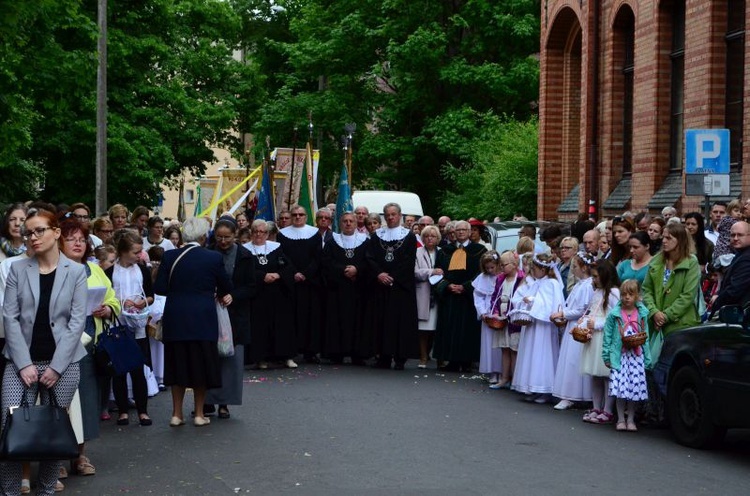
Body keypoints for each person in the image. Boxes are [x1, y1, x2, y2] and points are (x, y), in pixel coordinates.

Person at [1, 209, 87, 495]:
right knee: (9, 426)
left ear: (56, 232)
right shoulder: (18, 269)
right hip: (19, 362)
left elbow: (77, 322)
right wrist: (23, 363)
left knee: (54, 429)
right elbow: (9, 317)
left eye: (39, 230)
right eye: (28, 232)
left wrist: (56, 367)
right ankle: (10, 491)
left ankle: (47, 490)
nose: (33, 237)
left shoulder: (75, 272)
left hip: (62, 364)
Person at [153, 217, 233, 427]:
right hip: (203, 318)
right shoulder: (213, 258)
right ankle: (199, 414)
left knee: (177, 365)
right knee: (201, 365)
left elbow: (160, 288)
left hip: (176, 316)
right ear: (202, 236)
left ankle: (176, 414)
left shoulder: (170, 256)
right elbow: (226, 285)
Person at [59, 218, 120, 476]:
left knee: (85, 402)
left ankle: (80, 456)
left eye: (82, 239)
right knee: (59, 405)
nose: (77, 243)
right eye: (71, 238)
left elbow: (113, 299)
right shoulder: (52, 269)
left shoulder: (94, 270)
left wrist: (107, 309)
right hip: (59, 347)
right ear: (59, 242)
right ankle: (56, 459)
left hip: (89, 345)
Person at [104, 230, 154, 427]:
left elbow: (151, 294)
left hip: (137, 324)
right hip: (118, 324)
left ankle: (143, 411)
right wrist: (119, 303)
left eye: (140, 251)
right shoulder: (110, 273)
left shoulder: (142, 270)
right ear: (123, 252)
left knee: (137, 368)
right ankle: (123, 410)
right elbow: (106, 296)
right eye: (135, 252)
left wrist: (143, 302)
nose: (139, 255)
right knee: (119, 369)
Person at [205, 219, 254, 419]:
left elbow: (251, 286)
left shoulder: (245, 255)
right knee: (209, 359)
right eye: (219, 237)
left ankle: (224, 403)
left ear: (235, 235)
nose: (223, 241)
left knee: (231, 361)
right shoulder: (207, 253)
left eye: (227, 237)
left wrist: (234, 295)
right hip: (209, 312)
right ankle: (207, 400)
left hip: (235, 315)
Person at [366, 203, 419, 370]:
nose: (390, 217)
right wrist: (379, 274)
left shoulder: (409, 236)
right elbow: (370, 258)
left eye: (393, 214)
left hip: (400, 287)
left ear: (400, 215)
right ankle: (383, 356)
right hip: (380, 286)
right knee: (381, 321)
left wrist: (393, 277)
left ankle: (400, 357)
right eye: (387, 215)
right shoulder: (376, 236)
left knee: (400, 322)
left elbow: (408, 261)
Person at [509, 253, 564, 403]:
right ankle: (531, 387)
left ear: (543, 269)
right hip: (532, 324)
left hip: (544, 327)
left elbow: (552, 304)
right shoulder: (536, 283)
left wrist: (533, 301)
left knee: (542, 355)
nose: (532, 271)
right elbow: (523, 298)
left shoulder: (552, 283)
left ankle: (543, 389)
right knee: (531, 354)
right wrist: (525, 300)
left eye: (535, 268)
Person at [433, 220, 487, 372]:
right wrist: (447, 286)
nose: (461, 232)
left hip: (468, 297)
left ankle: (467, 361)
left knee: (467, 329)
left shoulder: (480, 250)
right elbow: (438, 272)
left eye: (464, 230)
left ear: (470, 232)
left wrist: (465, 287)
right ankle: (452, 360)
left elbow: (482, 273)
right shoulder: (444, 250)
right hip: (450, 296)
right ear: (453, 233)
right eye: (458, 230)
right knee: (450, 328)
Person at [243, 220, 297, 369]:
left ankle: (286, 357)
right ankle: (261, 359)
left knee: (282, 325)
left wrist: (278, 275)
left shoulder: (277, 248)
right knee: (260, 327)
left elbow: (289, 267)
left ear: (267, 234)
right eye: (255, 231)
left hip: (278, 294)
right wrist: (262, 276)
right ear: (251, 233)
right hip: (258, 296)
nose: (259, 234)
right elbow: (244, 272)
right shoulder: (244, 251)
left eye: (262, 232)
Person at [602, 279, 651, 432]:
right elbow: (607, 336)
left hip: (636, 356)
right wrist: (606, 356)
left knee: (634, 388)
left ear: (637, 296)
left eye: (631, 294)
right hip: (620, 356)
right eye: (624, 294)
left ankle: (631, 419)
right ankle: (621, 419)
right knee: (621, 389)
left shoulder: (641, 313)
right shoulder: (614, 315)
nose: (627, 297)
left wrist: (647, 358)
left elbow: (645, 336)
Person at [321, 212, 370, 364]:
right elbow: (326, 263)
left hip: (358, 289)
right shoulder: (331, 241)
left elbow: (369, 261)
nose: (348, 224)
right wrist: (343, 270)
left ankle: (358, 354)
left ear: (356, 223)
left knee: (359, 320)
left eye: (351, 221)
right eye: (345, 221)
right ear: (340, 223)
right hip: (337, 289)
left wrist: (357, 270)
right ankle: (336, 353)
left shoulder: (366, 242)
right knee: (336, 320)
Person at [277, 205, 322, 363]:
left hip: (310, 283)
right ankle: (292, 349)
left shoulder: (315, 233)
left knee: (311, 317)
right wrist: (293, 272)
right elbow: (282, 256)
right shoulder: (282, 234)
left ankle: (311, 350)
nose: (297, 217)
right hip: (291, 282)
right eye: (294, 214)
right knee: (291, 316)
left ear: (306, 217)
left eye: (301, 214)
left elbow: (318, 258)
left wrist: (306, 274)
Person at [551, 253, 595, 410]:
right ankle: (569, 394)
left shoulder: (589, 286)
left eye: (575, 267)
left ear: (584, 268)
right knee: (569, 359)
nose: (573, 270)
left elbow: (583, 309)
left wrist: (563, 314)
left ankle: (574, 395)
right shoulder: (579, 284)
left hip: (579, 325)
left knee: (574, 360)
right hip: (572, 325)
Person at [641, 222, 701, 338]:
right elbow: (647, 289)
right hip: (655, 324)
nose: (664, 241)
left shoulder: (691, 262)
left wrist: (665, 316)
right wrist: (654, 312)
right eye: (663, 237)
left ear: (680, 240)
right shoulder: (656, 260)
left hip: (681, 325)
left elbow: (687, 295)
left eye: (669, 238)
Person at [579, 260, 620, 424]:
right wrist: (585, 323)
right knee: (595, 375)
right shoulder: (597, 292)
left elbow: (616, 317)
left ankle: (608, 410)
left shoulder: (614, 293)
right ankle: (597, 407)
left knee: (606, 375)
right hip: (593, 336)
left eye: (596, 276)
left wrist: (597, 324)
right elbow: (592, 311)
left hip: (605, 337)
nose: (593, 280)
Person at [487, 250, 524, 388]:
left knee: (514, 349)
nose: (502, 268)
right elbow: (495, 296)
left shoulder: (521, 278)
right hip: (502, 318)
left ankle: (514, 379)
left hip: (513, 318)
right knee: (504, 349)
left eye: (504, 264)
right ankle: (504, 378)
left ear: (515, 264)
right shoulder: (500, 278)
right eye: (500, 265)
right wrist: (495, 312)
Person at [472, 251, 503, 384]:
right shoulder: (482, 278)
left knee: (500, 344)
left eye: (492, 267)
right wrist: (482, 312)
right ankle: (492, 371)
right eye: (487, 268)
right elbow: (478, 297)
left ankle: (502, 371)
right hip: (488, 314)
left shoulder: (503, 276)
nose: (490, 270)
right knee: (488, 344)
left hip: (500, 312)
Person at [414, 225, 442, 368]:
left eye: (433, 236)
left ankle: (439, 358)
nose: (429, 238)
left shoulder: (442, 252)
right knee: (423, 329)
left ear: (438, 238)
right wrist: (431, 271)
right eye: (426, 236)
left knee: (438, 328)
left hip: (438, 295)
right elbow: (415, 272)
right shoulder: (417, 252)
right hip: (423, 294)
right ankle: (423, 357)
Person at [710, 221, 750, 313]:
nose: (735, 238)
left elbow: (734, 290)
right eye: (732, 235)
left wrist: (717, 302)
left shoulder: (746, 258)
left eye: (740, 235)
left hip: (738, 313)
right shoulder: (741, 254)